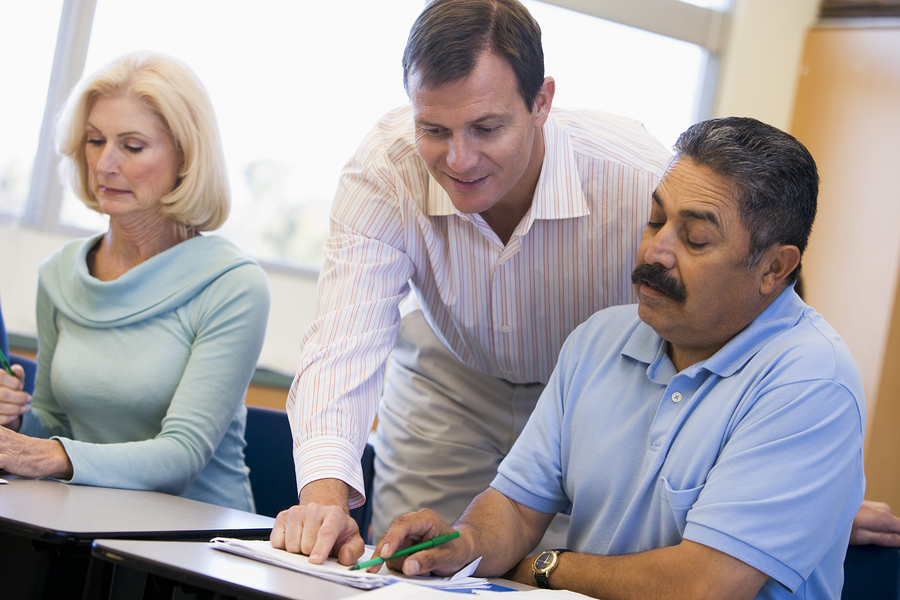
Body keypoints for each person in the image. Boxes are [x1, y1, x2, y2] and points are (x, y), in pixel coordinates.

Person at [372, 117, 866, 600]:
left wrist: (545, 567)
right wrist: (468, 543)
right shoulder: (601, 337)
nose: (656, 250)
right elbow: (517, 510)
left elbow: (702, 585)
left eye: (694, 239)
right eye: (656, 220)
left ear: (774, 268)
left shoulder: (811, 380)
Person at [271, 0, 671, 563]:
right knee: (410, 561)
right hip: (450, 379)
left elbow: (749, 312)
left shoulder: (641, 178)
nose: (459, 159)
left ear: (541, 102)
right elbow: (342, 341)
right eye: (433, 129)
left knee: (560, 571)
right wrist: (323, 502)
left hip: (595, 398)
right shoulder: (386, 168)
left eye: (486, 128)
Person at [0, 51, 270, 512]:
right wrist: (17, 421)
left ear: (186, 158)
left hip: (199, 548)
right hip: (80, 519)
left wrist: (43, 453)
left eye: (132, 146)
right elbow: (55, 422)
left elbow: (181, 454)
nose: (104, 164)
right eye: (94, 140)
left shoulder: (233, 285)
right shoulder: (60, 273)